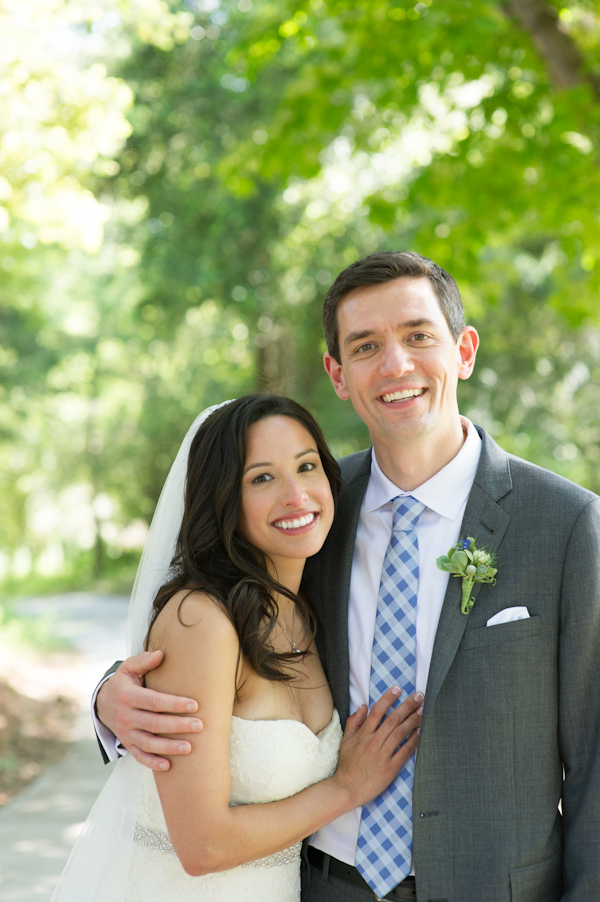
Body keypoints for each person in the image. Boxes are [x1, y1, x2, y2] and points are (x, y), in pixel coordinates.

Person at [95, 252, 600, 901]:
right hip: (321, 886)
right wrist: (113, 696)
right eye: (366, 346)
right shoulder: (308, 511)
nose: (395, 365)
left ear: (464, 350)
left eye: (418, 335)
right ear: (337, 374)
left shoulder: (565, 524)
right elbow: (209, 604)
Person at [53, 394, 422, 902]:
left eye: (307, 466)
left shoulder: (312, 599)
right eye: (262, 478)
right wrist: (346, 788)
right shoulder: (201, 618)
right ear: (223, 498)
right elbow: (202, 845)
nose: (297, 495)